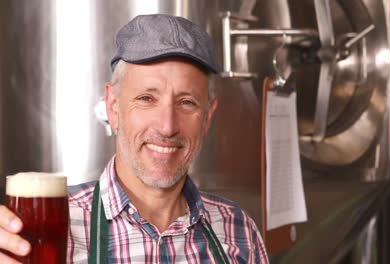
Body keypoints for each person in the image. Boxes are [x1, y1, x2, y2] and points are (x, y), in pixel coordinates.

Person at [0, 14, 268, 263]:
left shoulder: (239, 230)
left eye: (186, 102)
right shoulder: (45, 230)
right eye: (146, 99)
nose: (167, 127)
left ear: (208, 117)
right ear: (113, 107)